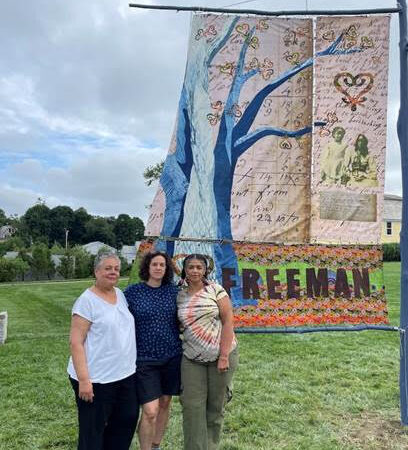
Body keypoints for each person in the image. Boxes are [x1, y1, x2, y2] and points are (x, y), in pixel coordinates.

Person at [67, 252, 138, 450]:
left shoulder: (120, 294)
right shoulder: (86, 301)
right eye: (108, 268)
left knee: (125, 424)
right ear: (96, 271)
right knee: (93, 432)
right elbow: (75, 343)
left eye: (116, 268)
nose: (113, 272)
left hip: (124, 375)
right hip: (96, 380)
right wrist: (84, 380)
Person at [177, 253, 238, 450]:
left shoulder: (216, 290)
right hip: (192, 358)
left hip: (221, 356)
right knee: (192, 407)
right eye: (190, 267)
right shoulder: (179, 295)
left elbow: (228, 321)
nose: (194, 271)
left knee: (215, 407)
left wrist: (223, 356)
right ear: (185, 270)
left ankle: (211, 446)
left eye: (199, 267)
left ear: (205, 270)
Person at [124, 251, 182, 450]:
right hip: (144, 358)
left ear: (167, 269)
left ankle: (156, 445)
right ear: (147, 267)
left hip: (172, 356)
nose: (158, 268)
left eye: (162, 265)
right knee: (150, 410)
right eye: (154, 264)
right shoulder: (133, 293)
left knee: (165, 403)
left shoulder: (173, 292)